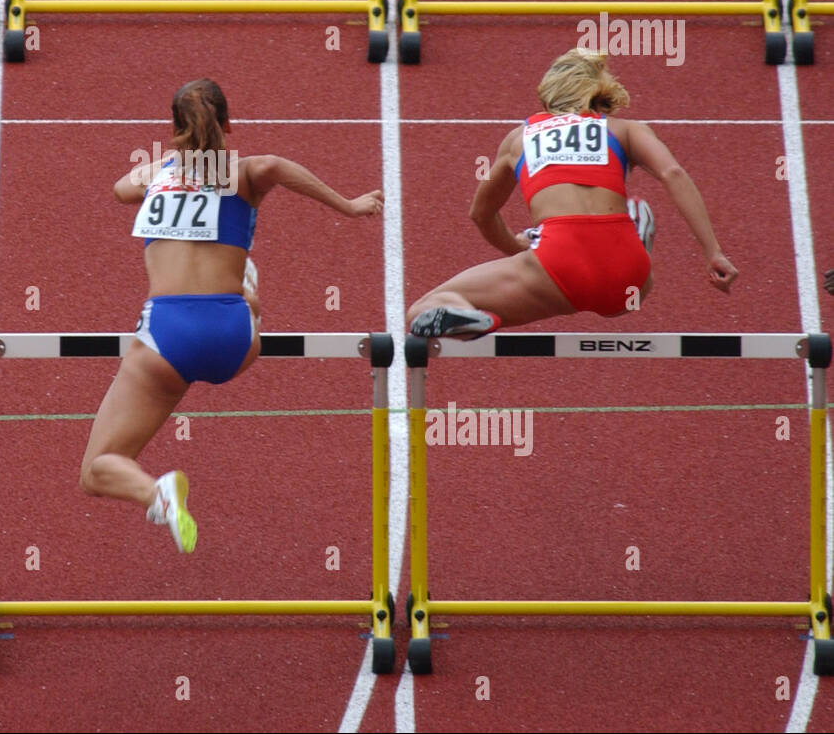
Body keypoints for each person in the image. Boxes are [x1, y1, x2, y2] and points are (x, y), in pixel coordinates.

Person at [79, 78, 384, 552]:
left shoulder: (156, 175)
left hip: (168, 336)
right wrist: (349, 206)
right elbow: (276, 166)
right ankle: (248, 293)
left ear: (174, 128)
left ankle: (154, 494)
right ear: (228, 123)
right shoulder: (243, 174)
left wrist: (170, 164)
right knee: (242, 285)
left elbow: (120, 189)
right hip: (235, 338)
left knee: (98, 469)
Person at [407, 49, 737, 339]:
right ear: (602, 93)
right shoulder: (626, 130)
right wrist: (713, 252)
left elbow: (481, 214)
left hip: (558, 265)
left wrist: (517, 248)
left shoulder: (519, 139)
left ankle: (475, 315)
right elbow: (673, 174)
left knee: (421, 312)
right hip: (627, 274)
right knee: (625, 300)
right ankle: (637, 239)